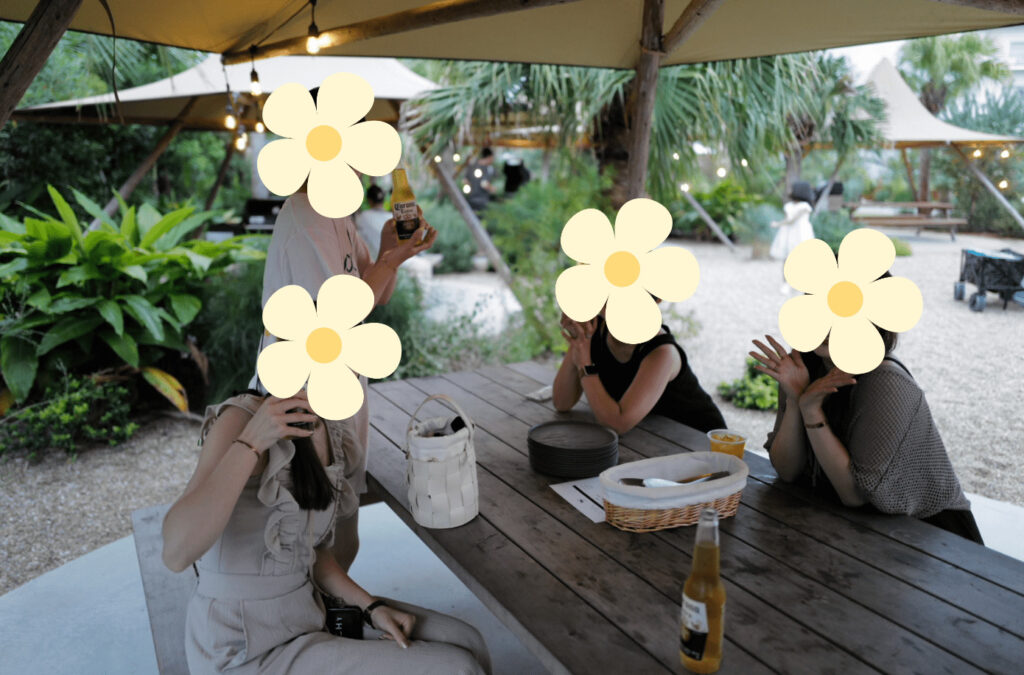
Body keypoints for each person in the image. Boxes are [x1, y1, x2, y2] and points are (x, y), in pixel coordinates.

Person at [162, 390, 491, 674]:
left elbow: (312, 553)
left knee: (467, 641)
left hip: (308, 613)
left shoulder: (331, 427)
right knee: (458, 668)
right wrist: (252, 442)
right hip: (243, 647)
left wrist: (372, 607)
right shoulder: (241, 418)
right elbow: (176, 553)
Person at [252, 123, 438, 575]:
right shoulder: (306, 215)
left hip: (338, 382)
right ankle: (314, 608)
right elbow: (338, 315)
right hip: (306, 392)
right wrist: (389, 260)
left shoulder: (334, 211)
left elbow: (376, 293)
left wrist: (390, 251)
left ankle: (329, 604)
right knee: (317, 527)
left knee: (342, 516)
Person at [751, 327, 983, 544]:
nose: (828, 327)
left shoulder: (885, 380)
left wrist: (811, 411)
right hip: (849, 527)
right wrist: (795, 400)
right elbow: (788, 471)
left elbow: (854, 495)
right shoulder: (804, 365)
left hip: (932, 538)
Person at [553, 309, 726, 435]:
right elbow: (562, 402)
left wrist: (585, 363)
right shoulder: (594, 329)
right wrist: (578, 342)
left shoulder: (662, 352)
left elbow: (617, 423)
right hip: (650, 436)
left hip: (700, 442)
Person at [770, 181, 815, 293]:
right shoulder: (788, 206)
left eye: (792, 188)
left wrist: (777, 224)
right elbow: (788, 219)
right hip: (788, 234)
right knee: (787, 259)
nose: (789, 190)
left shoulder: (805, 206)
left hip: (801, 233)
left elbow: (791, 220)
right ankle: (786, 283)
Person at [354, 184, 391, 260]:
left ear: (369, 200)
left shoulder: (362, 217)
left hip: (374, 260)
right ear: (384, 199)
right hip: (396, 259)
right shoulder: (391, 217)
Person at [464, 147, 497, 214]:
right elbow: (484, 184)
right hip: (481, 200)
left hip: (470, 198)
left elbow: (465, 181)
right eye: (492, 158)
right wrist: (492, 189)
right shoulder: (485, 168)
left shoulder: (472, 166)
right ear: (489, 157)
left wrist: (472, 187)